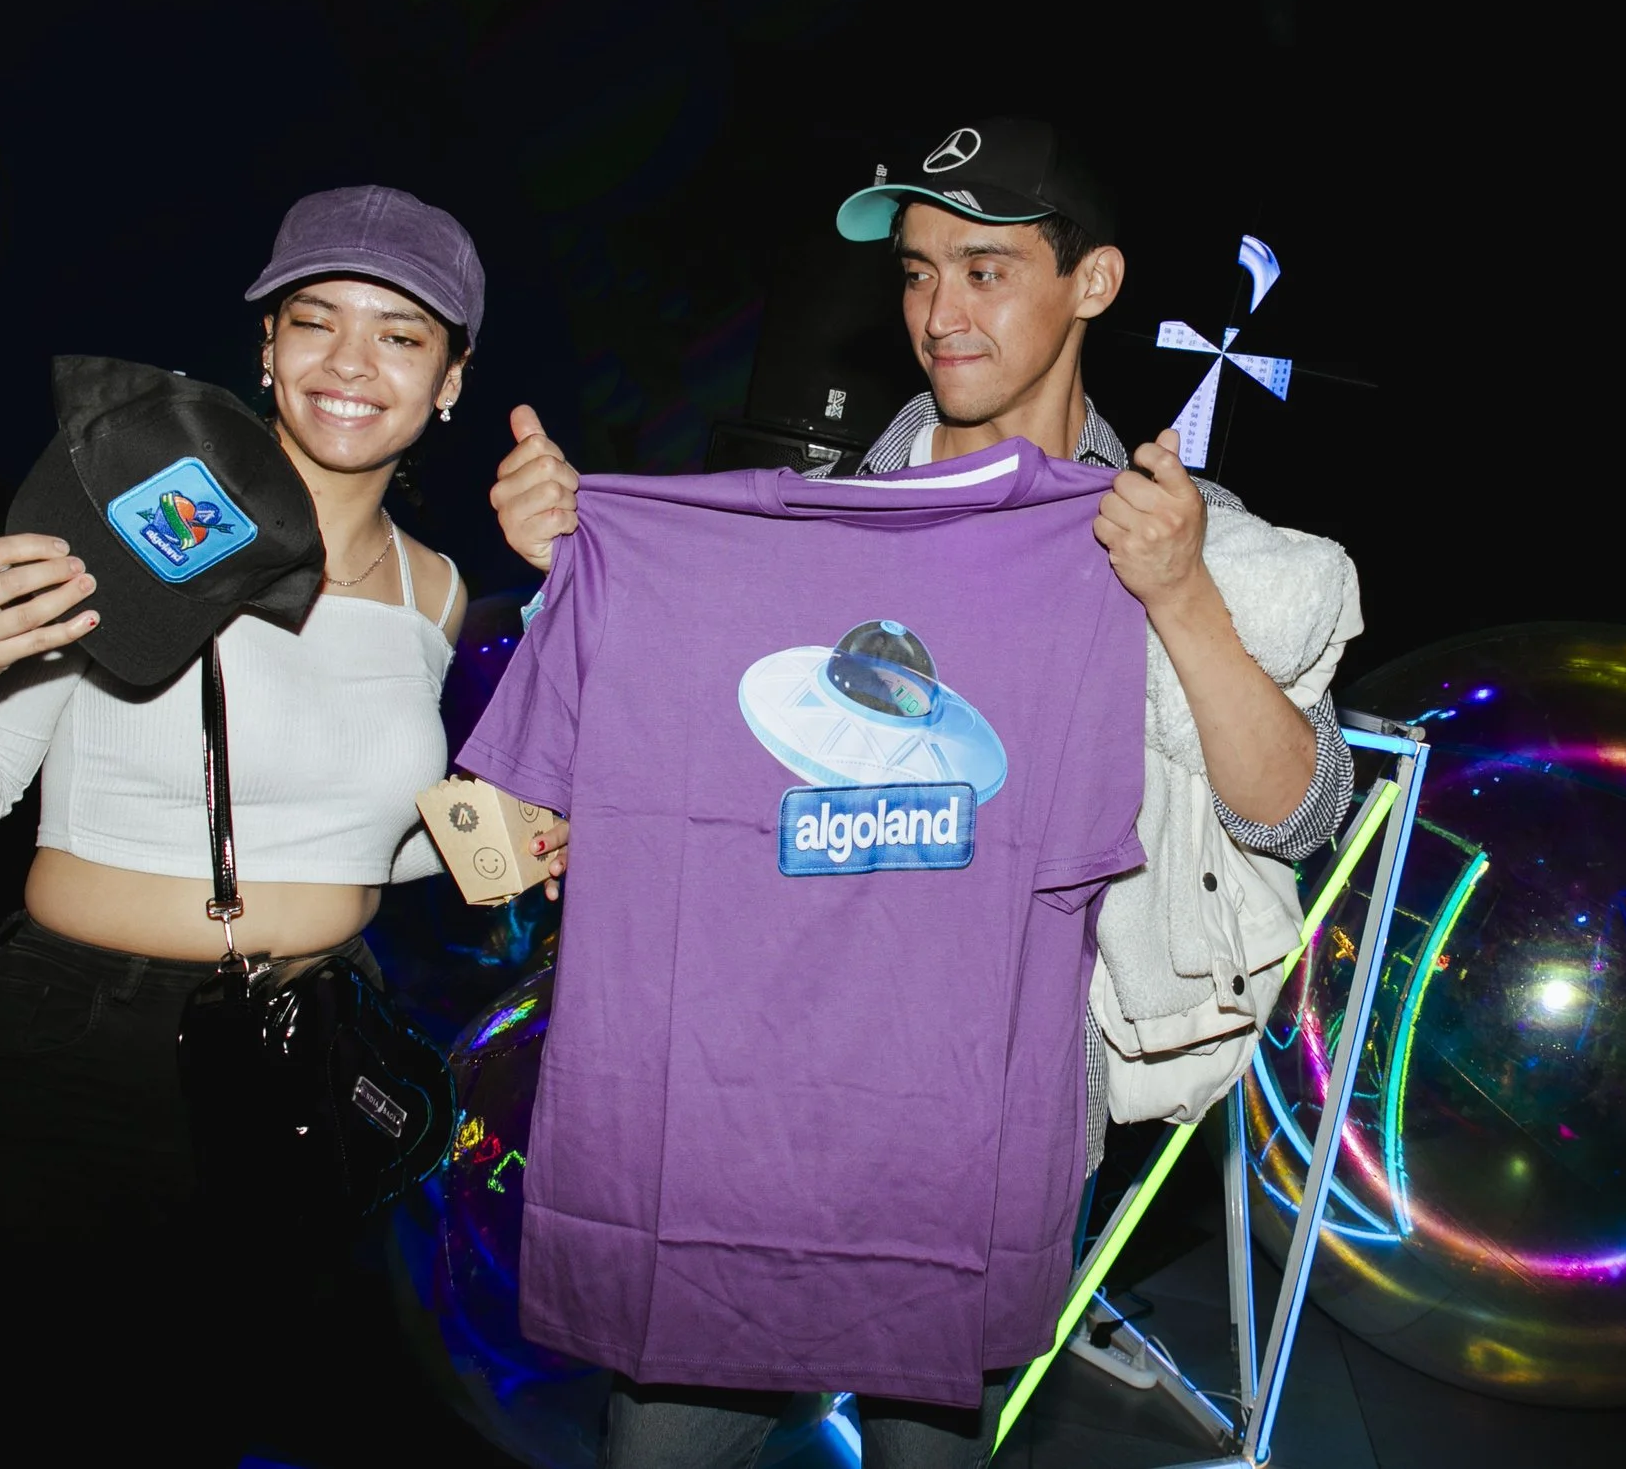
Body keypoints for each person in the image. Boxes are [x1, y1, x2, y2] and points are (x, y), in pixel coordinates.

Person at [485, 119, 1355, 1466]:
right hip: (750, 1103)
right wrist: (579, 566)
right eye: (914, 272)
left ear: (1096, 282)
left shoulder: (1179, 528)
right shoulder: (801, 525)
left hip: (981, 1128)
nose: (939, 312)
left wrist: (1178, 595)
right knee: (653, 1448)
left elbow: (1296, 814)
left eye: (986, 268)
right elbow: (685, 773)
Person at [0, 186, 552, 1467]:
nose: (350, 363)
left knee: (186, 1431)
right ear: (266, 347)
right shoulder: (132, 517)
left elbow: (360, 837)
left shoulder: (440, 587)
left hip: (299, 1063)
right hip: (65, 1047)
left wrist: (485, 843)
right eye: (316, 320)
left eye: (401, 335)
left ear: (452, 378)